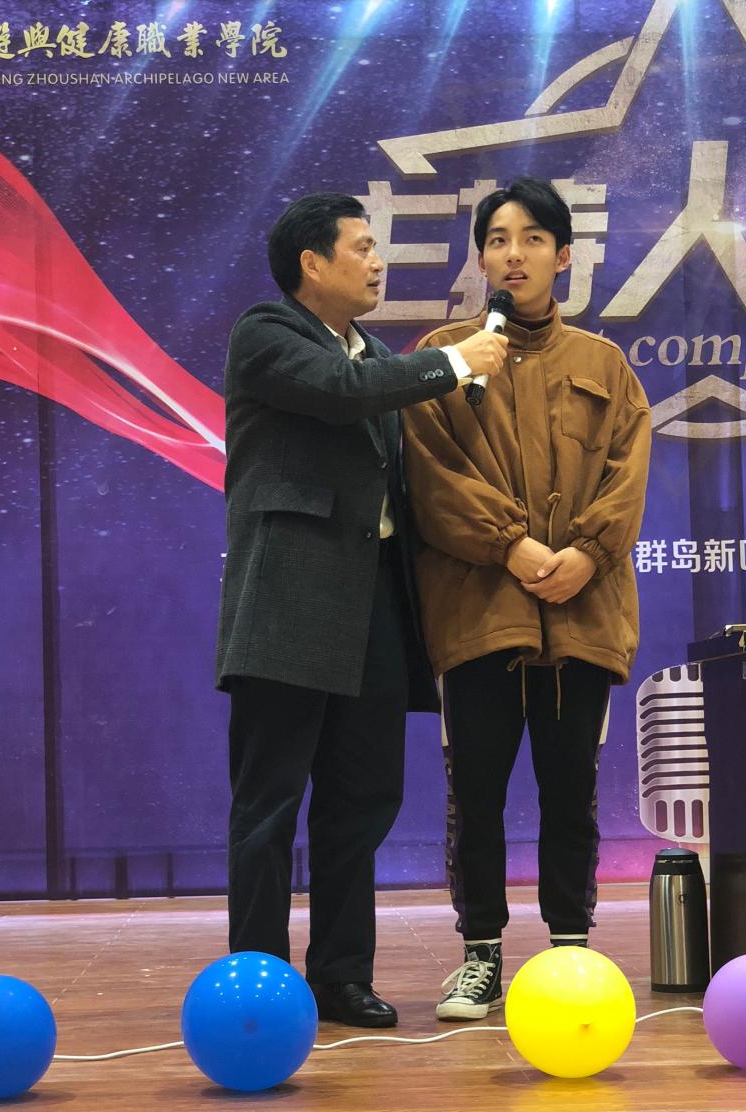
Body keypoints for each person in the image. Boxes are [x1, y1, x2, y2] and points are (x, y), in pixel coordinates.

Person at [215, 192, 508, 1028]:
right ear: (312, 263)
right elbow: (344, 391)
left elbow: (373, 404)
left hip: (374, 601)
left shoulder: (372, 353)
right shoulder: (267, 333)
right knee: (270, 803)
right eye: (363, 247)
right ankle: (258, 983)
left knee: (363, 799)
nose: (378, 262)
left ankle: (341, 974)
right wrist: (455, 362)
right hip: (287, 603)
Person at [401, 178, 651, 1020]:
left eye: (534, 238)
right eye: (499, 239)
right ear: (480, 256)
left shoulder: (604, 365)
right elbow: (432, 475)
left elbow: (626, 474)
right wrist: (509, 541)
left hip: (581, 612)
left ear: (563, 256)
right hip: (479, 612)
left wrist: (588, 553)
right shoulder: (444, 355)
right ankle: (479, 955)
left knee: (569, 790)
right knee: (474, 793)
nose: (516, 254)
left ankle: (571, 952)